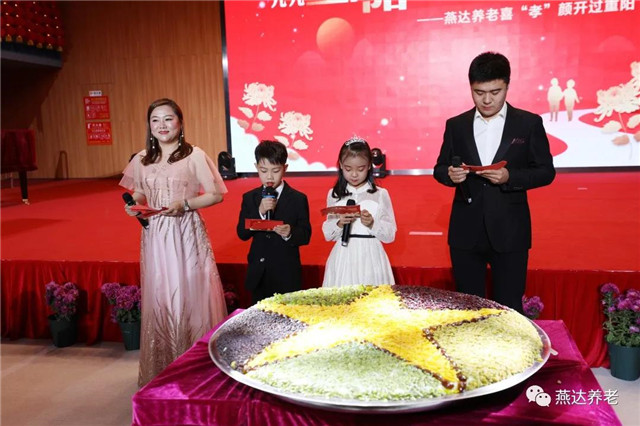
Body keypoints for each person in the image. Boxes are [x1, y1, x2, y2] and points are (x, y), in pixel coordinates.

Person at [433, 52, 555, 313]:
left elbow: (546, 172)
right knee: (468, 309)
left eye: (495, 92)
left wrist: (510, 177)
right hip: (466, 231)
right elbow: (439, 168)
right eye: (479, 93)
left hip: (510, 231)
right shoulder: (456, 125)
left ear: (507, 86)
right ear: (470, 88)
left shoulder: (528, 123)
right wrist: (450, 175)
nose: (487, 100)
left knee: (509, 309)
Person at [120, 98, 228, 387]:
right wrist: (134, 204)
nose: (162, 125)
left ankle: (197, 368)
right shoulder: (142, 159)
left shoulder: (194, 155)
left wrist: (186, 204)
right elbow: (140, 191)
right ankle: (164, 368)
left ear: (180, 122)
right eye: (155, 120)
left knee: (190, 293)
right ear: (149, 125)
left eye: (168, 119)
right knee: (161, 294)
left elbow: (216, 195)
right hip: (155, 234)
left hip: (185, 231)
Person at [236, 140, 311, 304]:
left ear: (285, 168)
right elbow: (242, 233)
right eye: (263, 171)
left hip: (286, 274)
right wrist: (260, 213)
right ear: (256, 167)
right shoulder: (250, 198)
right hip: (259, 274)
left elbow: (305, 235)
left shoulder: (298, 199)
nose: (269, 176)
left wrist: (289, 233)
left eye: (275, 171)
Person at [322, 137, 396, 287]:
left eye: (360, 169)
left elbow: (390, 235)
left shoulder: (380, 194)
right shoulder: (334, 194)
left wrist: (372, 223)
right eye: (348, 169)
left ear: (369, 166)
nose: (354, 174)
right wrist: (340, 223)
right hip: (343, 256)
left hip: (371, 256)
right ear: (341, 165)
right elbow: (328, 234)